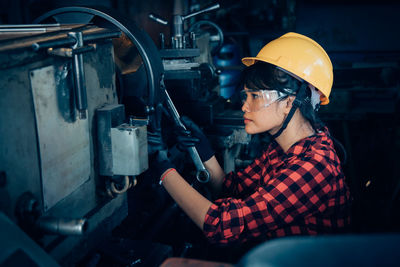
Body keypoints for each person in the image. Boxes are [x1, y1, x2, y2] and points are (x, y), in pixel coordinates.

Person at [149, 32, 352, 248]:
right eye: (245, 96)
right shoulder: (283, 148)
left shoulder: (313, 168)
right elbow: (232, 189)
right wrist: (204, 151)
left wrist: (163, 169)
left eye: (255, 96)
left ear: (288, 103)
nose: (244, 106)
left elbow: (221, 226)